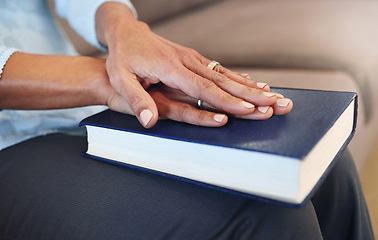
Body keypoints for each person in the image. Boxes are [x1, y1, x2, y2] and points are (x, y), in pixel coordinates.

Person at [0, 0, 373, 239]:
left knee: (321, 160)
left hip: (83, 108)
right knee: (264, 217)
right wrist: (112, 79)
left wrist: (124, 29)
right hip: (11, 142)